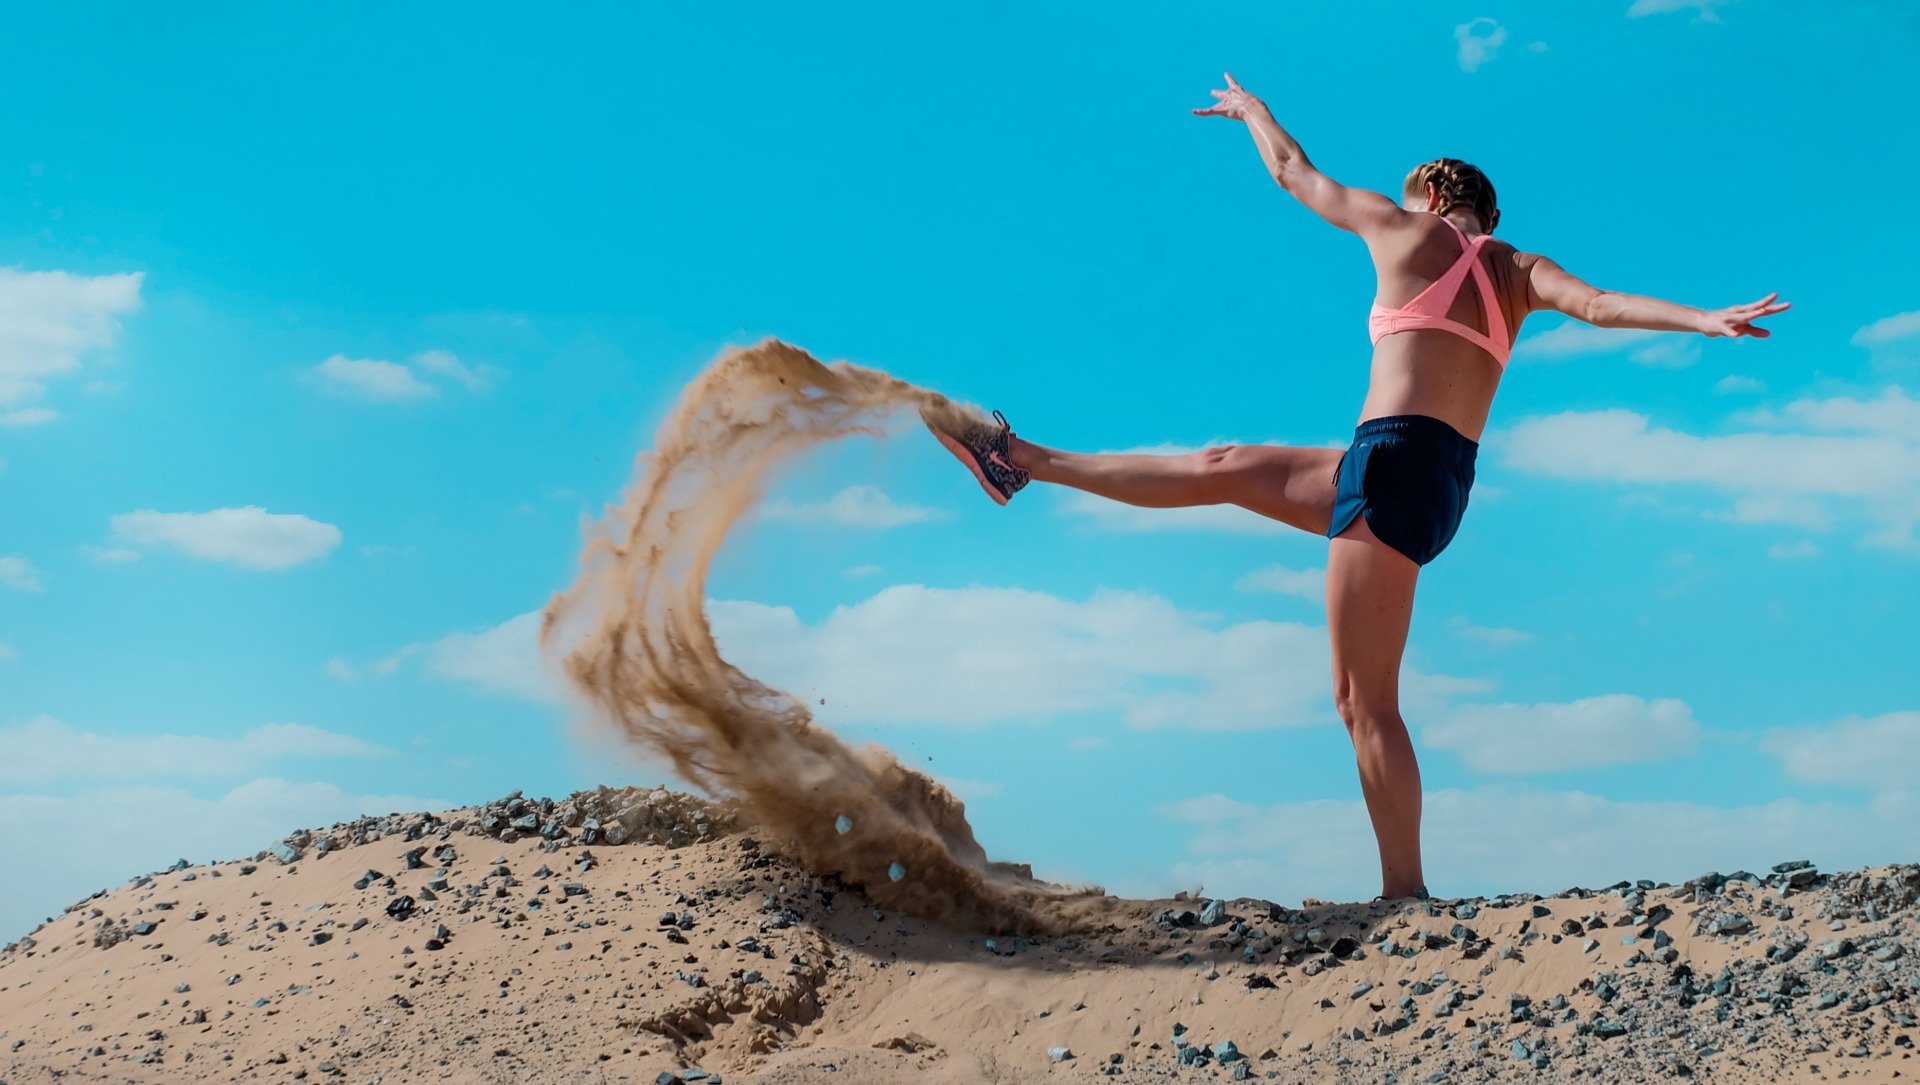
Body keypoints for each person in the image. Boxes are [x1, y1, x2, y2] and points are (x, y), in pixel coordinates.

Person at [923, 73, 1789, 901]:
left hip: (1391, 459)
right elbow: (1601, 304)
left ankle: (1402, 892)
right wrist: (1705, 318)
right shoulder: (1522, 272)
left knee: (1362, 699)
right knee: (1223, 467)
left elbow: (1293, 173)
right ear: (1490, 212)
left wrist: (1251, 109)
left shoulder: (1406, 228)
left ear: (1427, 197)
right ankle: (1019, 459)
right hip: (1429, 472)